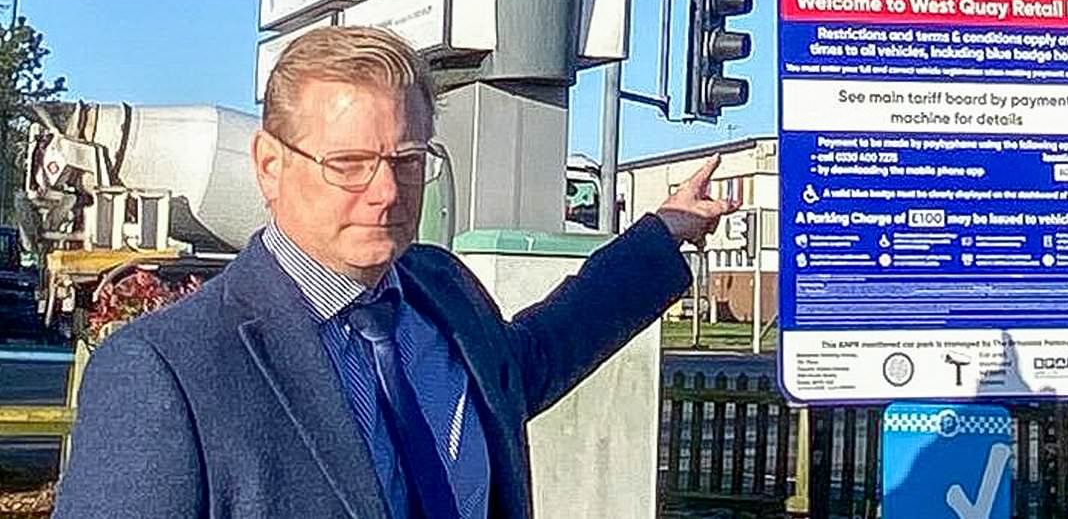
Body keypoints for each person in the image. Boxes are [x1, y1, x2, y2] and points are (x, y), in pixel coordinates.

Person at [52, 26, 740, 519]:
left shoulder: (442, 290)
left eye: (407, 160)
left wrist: (662, 235)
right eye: (348, 163)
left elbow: (532, 358)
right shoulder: (164, 370)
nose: (385, 191)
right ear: (269, 164)